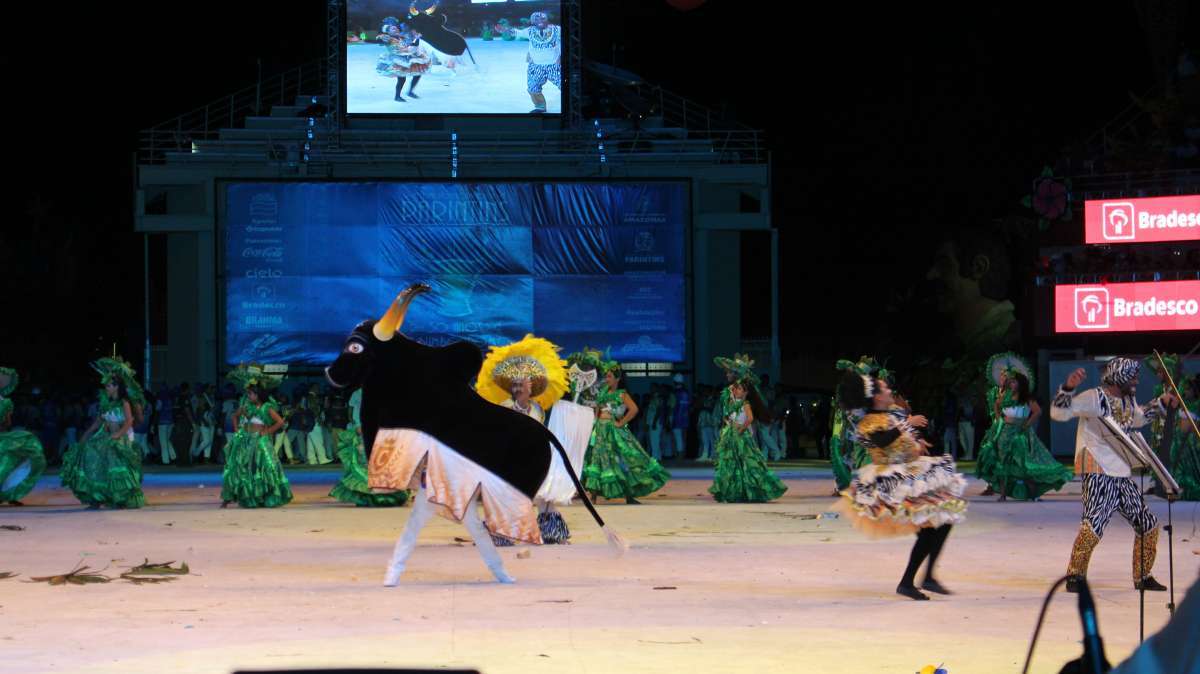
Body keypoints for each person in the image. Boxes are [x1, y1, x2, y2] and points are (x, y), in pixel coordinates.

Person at [835, 369, 967, 600]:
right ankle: (908, 582)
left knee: (944, 519)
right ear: (877, 397)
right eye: (886, 389)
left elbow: (900, 438)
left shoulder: (889, 417)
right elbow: (883, 440)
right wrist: (907, 422)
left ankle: (927, 577)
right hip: (894, 482)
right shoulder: (868, 422)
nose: (889, 391)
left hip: (915, 473)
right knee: (931, 527)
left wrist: (917, 442)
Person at [1050, 357, 1176, 593]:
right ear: (1119, 377)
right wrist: (1068, 388)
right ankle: (1075, 576)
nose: (1136, 381)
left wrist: (1161, 402)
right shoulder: (1094, 397)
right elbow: (1060, 414)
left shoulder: (1128, 400)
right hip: (1098, 469)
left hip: (1120, 471)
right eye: (1132, 377)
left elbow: (1136, 419)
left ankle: (1143, 576)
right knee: (1094, 525)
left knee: (1148, 524)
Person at [475, 335, 576, 543]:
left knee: (544, 496)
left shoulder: (538, 408)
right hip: (508, 461)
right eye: (517, 384)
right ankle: (500, 533)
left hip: (533, 459)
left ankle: (551, 532)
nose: (521, 387)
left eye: (525, 384)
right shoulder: (503, 405)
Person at [581, 355, 671, 504]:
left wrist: (621, 422)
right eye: (606, 376)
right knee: (597, 461)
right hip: (600, 431)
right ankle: (593, 496)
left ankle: (629, 496)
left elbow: (634, 409)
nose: (607, 379)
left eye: (609, 377)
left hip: (613, 431)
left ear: (617, 379)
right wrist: (595, 421)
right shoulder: (603, 392)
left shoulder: (622, 394)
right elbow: (596, 409)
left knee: (621, 461)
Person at [979, 357, 1072, 501]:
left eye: (1014, 381)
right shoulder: (1004, 396)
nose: (1011, 384)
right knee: (1003, 462)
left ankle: (1033, 494)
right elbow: (996, 405)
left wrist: (1026, 425)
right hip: (1004, 432)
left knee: (1025, 463)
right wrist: (999, 420)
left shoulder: (1027, 397)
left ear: (1020, 383)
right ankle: (1003, 495)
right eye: (1010, 382)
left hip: (1021, 432)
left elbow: (1038, 412)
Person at [60, 356, 146, 509]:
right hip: (107, 436)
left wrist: (118, 435)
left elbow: (129, 421)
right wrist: (83, 439)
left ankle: (120, 498)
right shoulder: (105, 404)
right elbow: (96, 425)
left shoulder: (124, 402)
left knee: (113, 459)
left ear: (116, 387)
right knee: (89, 454)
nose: (106, 387)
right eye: (106, 385)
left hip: (123, 437)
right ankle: (96, 497)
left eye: (108, 385)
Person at [220, 364, 292, 509]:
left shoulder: (267, 407)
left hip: (261, 441)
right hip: (245, 440)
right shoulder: (246, 406)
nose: (248, 396)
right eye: (248, 394)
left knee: (264, 467)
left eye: (251, 394)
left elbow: (280, 422)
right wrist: (237, 430)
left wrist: (268, 431)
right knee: (240, 467)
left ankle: (265, 495)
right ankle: (233, 497)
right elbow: (234, 416)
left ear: (258, 394)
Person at [709, 373, 787, 503]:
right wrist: (728, 423)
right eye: (736, 389)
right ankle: (733, 490)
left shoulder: (745, 404)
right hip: (731, 434)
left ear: (745, 392)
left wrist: (741, 428)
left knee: (746, 461)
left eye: (740, 389)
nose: (736, 391)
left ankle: (751, 488)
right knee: (731, 462)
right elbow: (726, 415)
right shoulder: (731, 402)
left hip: (742, 434)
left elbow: (750, 418)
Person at [329, 387, 407, 507]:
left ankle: (380, 495)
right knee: (367, 461)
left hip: (375, 429)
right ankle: (373, 495)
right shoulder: (359, 393)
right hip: (366, 428)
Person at [0, 367, 46, 505]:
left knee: (15, 462)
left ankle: (10, 494)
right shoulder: (4, 401)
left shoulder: (5, 401)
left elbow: (7, 423)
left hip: (3, 438)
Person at [520, 11, 561, 113]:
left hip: (554, 65)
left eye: (542, 18)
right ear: (533, 21)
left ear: (547, 19)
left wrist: (561, 57)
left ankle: (572, 107)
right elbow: (516, 32)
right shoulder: (529, 31)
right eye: (536, 19)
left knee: (567, 86)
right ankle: (540, 106)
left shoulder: (557, 29)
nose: (540, 21)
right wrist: (506, 30)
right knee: (533, 88)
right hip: (536, 66)